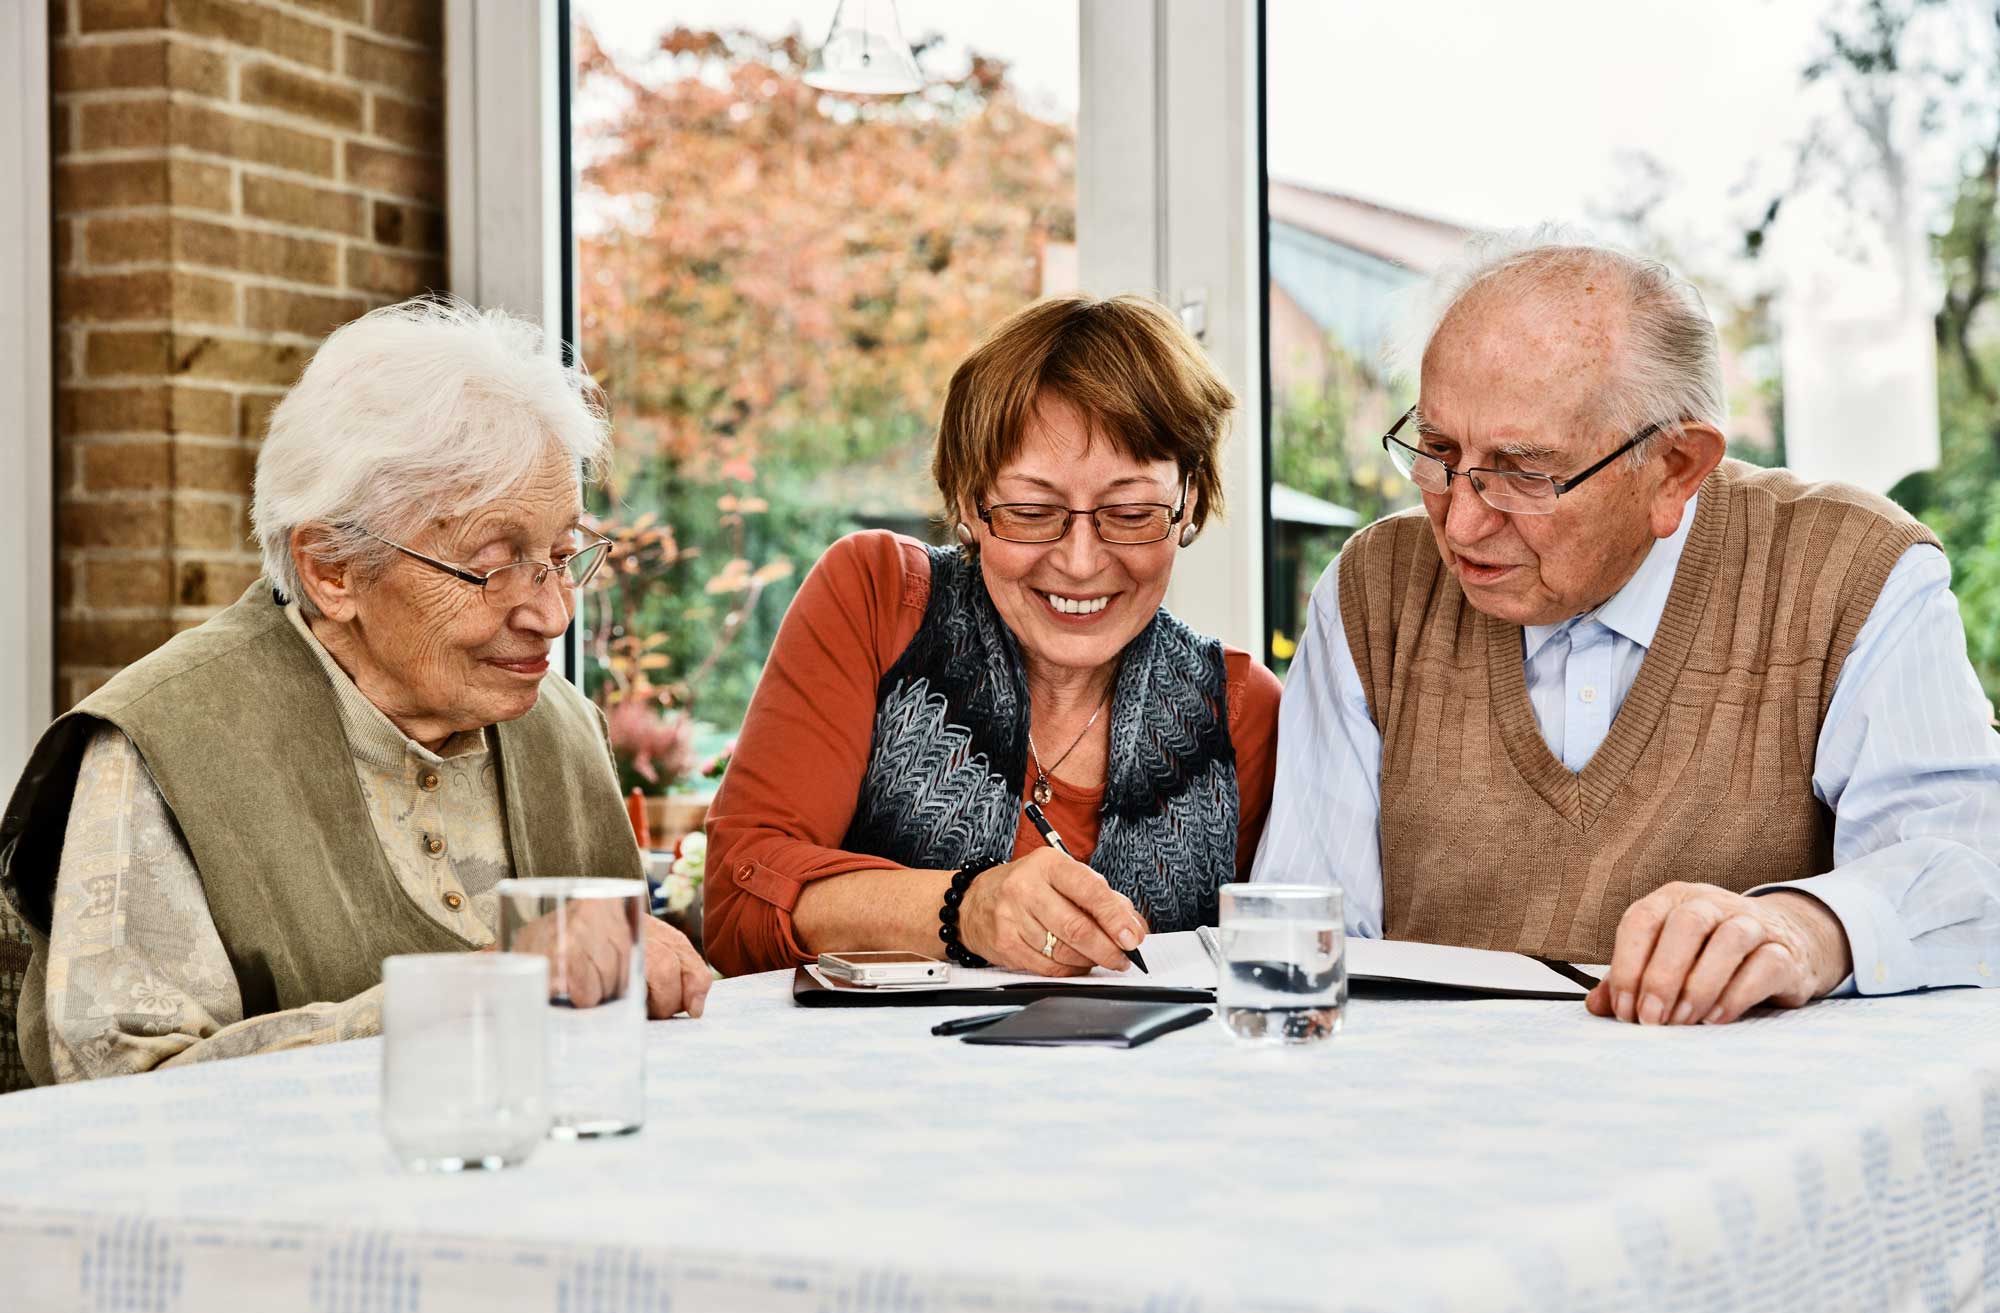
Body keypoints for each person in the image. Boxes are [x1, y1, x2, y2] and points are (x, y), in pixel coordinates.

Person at [1254, 235, 2000, 1026]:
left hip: (1739, 1123)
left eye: (1524, 472)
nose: (1462, 521)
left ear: (1675, 467)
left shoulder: (1854, 570)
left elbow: (1968, 877)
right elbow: (1296, 938)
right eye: (1438, 450)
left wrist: (1802, 927)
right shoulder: (1374, 589)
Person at [0, 299, 710, 1085]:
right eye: (493, 562)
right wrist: (472, 994)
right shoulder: (166, 745)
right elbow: (117, 1097)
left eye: (561, 552)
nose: (553, 611)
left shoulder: (561, 724)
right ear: (331, 570)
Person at [704, 295, 1282, 977]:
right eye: (1031, 511)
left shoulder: (1240, 714)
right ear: (968, 504)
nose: (1079, 560)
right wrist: (965, 908)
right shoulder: (878, 597)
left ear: (1188, 502)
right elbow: (739, 908)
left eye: (1130, 512)